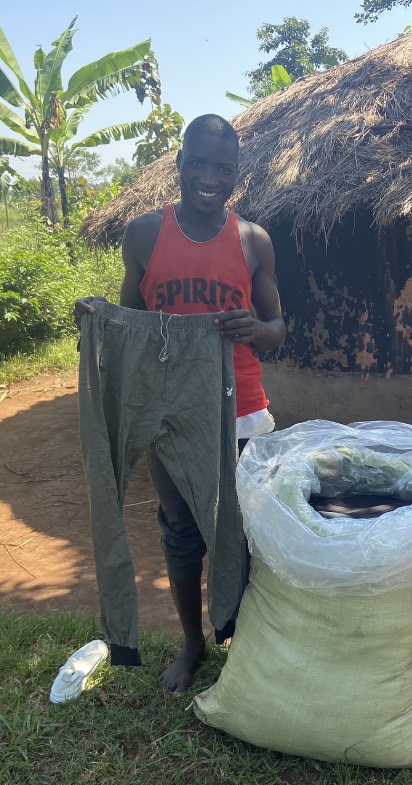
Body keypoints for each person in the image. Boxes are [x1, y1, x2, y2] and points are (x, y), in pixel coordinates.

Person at [75, 114, 285, 694]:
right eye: (199, 162)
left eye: (223, 167)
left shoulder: (252, 241)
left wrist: (254, 328)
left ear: (236, 174)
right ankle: (193, 645)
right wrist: (98, 322)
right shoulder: (145, 235)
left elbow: (278, 328)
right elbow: (132, 327)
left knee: (248, 532)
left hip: (240, 407)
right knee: (183, 532)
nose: (210, 176)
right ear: (181, 164)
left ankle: (249, 643)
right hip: (169, 410)